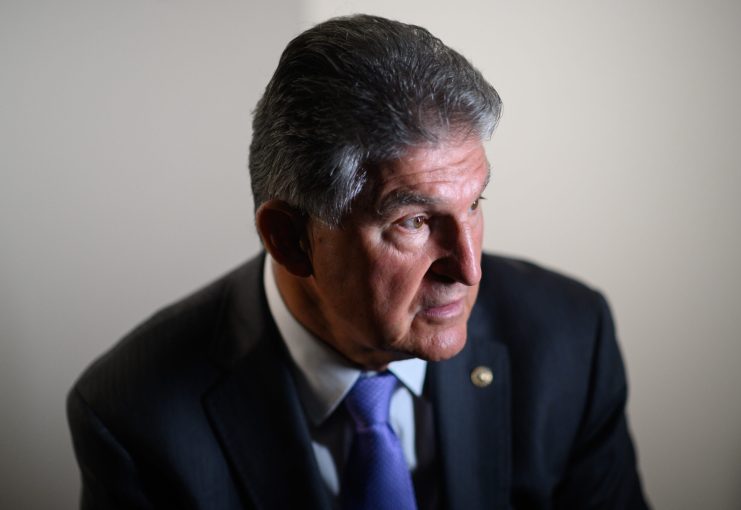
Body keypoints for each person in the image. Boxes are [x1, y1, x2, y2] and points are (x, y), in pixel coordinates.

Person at [67, 14, 649, 509]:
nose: (469, 268)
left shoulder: (569, 338)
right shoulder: (134, 415)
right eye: (413, 222)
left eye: (474, 203)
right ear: (291, 238)